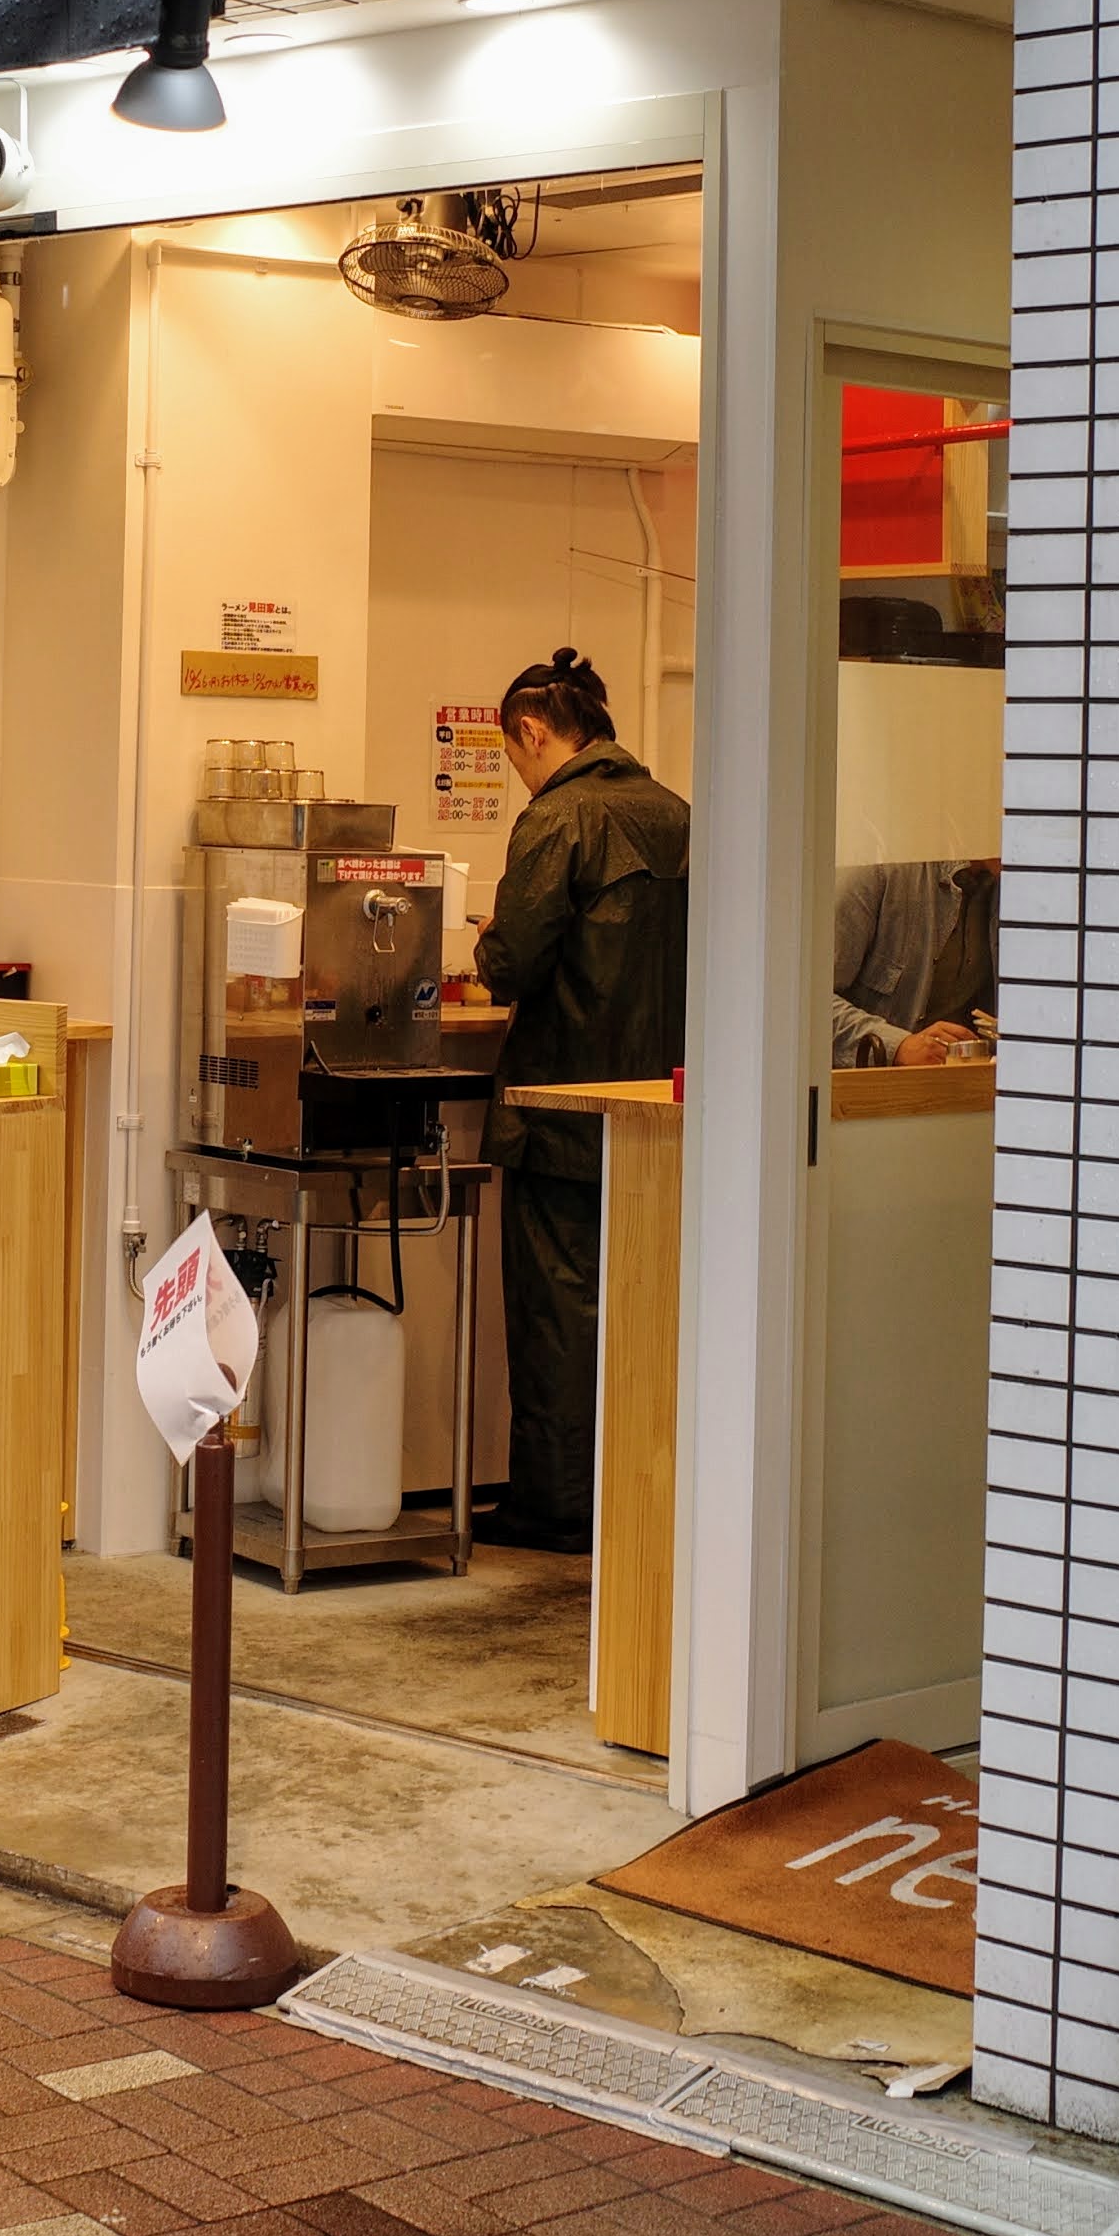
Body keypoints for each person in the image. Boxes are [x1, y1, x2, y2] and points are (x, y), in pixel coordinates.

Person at [473, 649, 688, 1557]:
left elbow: (515, 959)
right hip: (658, 1109)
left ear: (532, 731)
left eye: (513, 752)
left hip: (558, 1103)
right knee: (642, 1306)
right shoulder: (675, 812)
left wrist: (486, 948)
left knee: (557, 1312)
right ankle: (637, 1493)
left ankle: (557, 1506)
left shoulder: (558, 817)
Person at [834, 857, 1001, 1067]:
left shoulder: (1008, 887)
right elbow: (806, 1004)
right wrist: (899, 1047)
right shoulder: (879, 868)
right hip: (867, 1090)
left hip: (961, 1087)